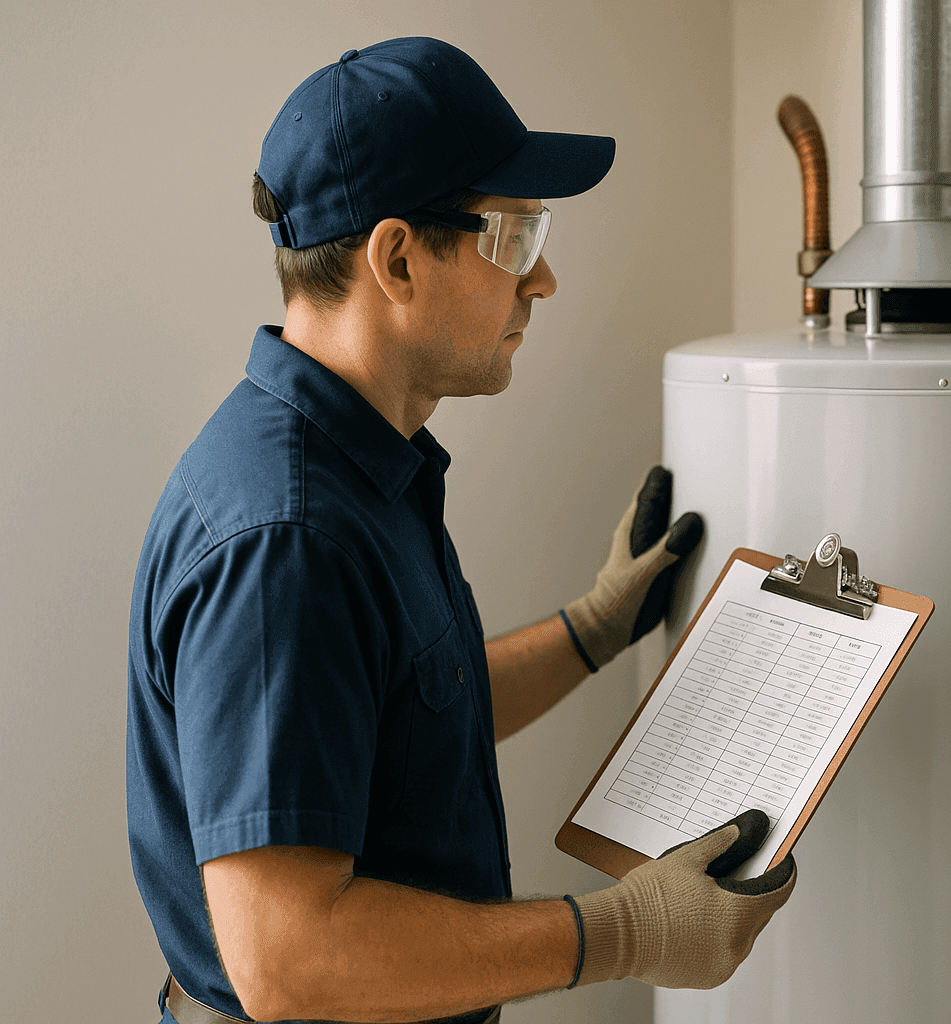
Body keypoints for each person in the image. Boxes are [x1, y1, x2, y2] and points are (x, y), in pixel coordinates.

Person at [126, 37, 795, 1024]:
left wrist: (594, 629)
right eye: (514, 235)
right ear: (398, 256)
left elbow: (399, 719)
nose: (544, 280)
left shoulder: (361, 468)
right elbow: (287, 956)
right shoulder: (289, 539)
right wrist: (623, 932)